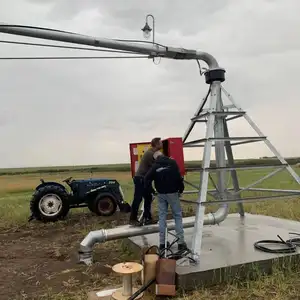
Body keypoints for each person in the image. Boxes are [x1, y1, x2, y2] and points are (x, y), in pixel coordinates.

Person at [144, 151, 187, 251]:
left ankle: (162, 244)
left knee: (162, 217)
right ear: (163, 155)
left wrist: (152, 191)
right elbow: (179, 177)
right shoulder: (173, 163)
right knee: (177, 216)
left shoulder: (155, 166)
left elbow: (146, 179)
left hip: (161, 194)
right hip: (173, 193)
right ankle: (181, 242)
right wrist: (181, 190)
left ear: (155, 159)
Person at [129, 137, 163, 226]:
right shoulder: (150, 154)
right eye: (160, 143)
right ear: (156, 144)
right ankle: (132, 219)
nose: (162, 144)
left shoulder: (151, 153)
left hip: (144, 179)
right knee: (138, 198)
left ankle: (147, 218)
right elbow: (156, 168)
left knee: (148, 198)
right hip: (140, 179)